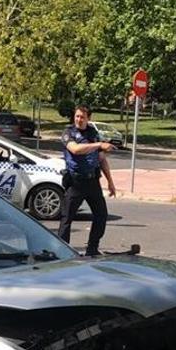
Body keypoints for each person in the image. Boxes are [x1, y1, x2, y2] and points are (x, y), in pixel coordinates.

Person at [57, 105, 116, 256]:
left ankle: (92, 249)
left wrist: (110, 181)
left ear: (88, 118)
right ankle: (62, 251)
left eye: (82, 117)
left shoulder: (93, 133)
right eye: (77, 116)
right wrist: (99, 145)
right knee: (66, 218)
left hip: (92, 181)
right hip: (76, 182)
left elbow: (101, 158)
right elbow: (75, 149)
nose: (79, 119)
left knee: (101, 215)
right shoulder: (68, 132)